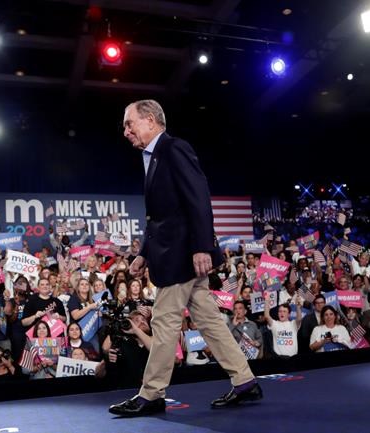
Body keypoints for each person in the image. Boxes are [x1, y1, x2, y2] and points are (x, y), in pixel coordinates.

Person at [109, 100, 260, 417]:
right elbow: (160, 218)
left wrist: (203, 246)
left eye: (129, 123)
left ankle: (151, 394)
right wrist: (143, 255)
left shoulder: (174, 149)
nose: (125, 131)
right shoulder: (152, 157)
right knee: (208, 320)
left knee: (163, 323)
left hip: (182, 257)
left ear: (150, 121)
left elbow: (198, 197)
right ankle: (245, 380)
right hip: (173, 253)